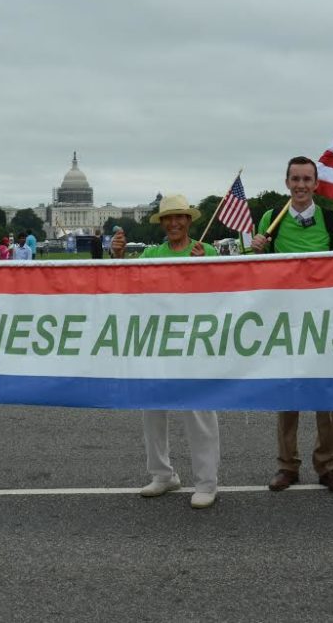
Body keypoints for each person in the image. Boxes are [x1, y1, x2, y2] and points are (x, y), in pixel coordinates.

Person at [109, 193, 221, 509]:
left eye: (179, 217)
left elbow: (224, 296)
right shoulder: (151, 253)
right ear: (162, 223)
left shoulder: (206, 251)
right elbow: (127, 285)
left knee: (198, 413)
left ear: (188, 220)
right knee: (153, 410)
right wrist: (116, 257)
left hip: (194, 344)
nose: (174, 223)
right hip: (157, 344)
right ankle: (162, 474)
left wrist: (205, 269)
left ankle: (206, 481)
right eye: (168, 218)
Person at [251, 156, 333, 496]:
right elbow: (257, 270)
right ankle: (287, 465)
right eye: (295, 179)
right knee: (288, 398)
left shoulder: (330, 220)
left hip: (323, 321)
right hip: (287, 321)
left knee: (328, 399)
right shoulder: (271, 219)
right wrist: (255, 249)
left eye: (307, 179)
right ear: (286, 182)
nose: (301, 185)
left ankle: (328, 466)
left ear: (316, 184)